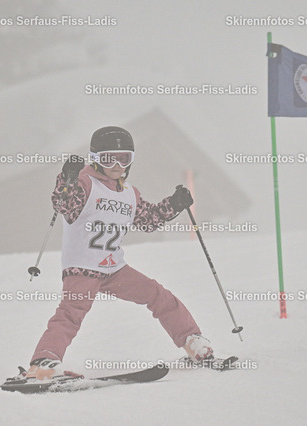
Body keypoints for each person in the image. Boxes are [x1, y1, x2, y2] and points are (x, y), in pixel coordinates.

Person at [15, 126, 214, 381]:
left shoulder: (129, 193)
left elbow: (148, 220)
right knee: (71, 313)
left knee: (158, 295)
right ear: (95, 158)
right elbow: (65, 204)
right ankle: (43, 363)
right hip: (83, 268)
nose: (117, 165)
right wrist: (67, 179)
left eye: (124, 158)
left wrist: (173, 204)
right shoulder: (85, 183)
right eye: (109, 158)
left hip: (114, 268)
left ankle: (193, 342)